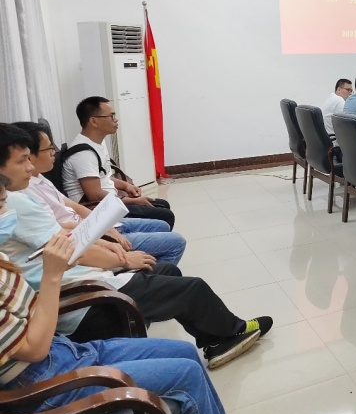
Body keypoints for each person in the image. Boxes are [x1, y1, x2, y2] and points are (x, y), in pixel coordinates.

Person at [0, 177, 256, 414]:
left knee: (187, 352)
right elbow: (35, 350)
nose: (8, 213)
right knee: (187, 375)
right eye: (0, 206)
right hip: (39, 378)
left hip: (65, 351)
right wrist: (52, 276)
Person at [0, 124, 272, 369]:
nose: (30, 167)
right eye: (22, 161)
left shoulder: (21, 194)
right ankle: (231, 333)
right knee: (192, 287)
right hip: (81, 297)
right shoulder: (15, 202)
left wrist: (109, 248)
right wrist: (124, 260)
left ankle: (213, 337)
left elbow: (65, 235)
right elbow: (71, 251)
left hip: (80, 281)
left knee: (167, 271)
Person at [14, 121, 185, 267]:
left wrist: (106, 226)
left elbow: (74, 205)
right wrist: (105, 231)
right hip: (88, 236)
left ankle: (152, 269)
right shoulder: (24, 191)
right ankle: (151, 275)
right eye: (49, 148)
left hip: (95, 224)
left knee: (162, 224)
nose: (54, 152)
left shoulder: (39, 178)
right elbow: (61, 226)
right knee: (175, 240)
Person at [62, 97, 176, 229]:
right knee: (165, 215)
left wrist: (126, 186)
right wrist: (131, 201)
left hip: (109, 202)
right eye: (111, 116)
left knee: (162, 205)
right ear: (94, 121)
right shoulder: (83, 154)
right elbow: (94, 195)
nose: (115, 120)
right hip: (97, 210)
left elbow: (104, 177)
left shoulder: (97, 143)